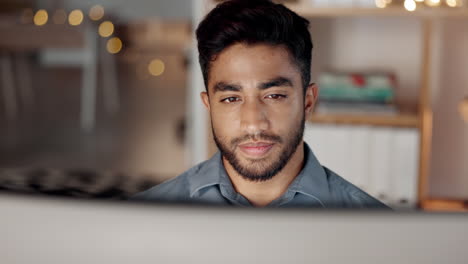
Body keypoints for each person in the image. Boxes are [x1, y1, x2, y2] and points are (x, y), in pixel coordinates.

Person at [133, 0, 388, 209]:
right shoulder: (145, 218)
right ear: (208, 105)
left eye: (274, 95)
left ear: (308, 102)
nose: (253, 122)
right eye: (231, 98)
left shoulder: (375, 228)